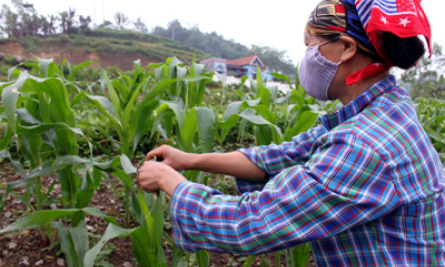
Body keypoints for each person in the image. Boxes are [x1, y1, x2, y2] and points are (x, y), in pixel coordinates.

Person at [137, 0, 445, 266]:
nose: (308, 56)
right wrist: (187, 159)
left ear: (347, 48)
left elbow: (253, 223)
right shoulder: (379, 110)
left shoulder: (365, 145)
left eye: (311, 46)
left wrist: (169, 181)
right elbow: (280, 156)